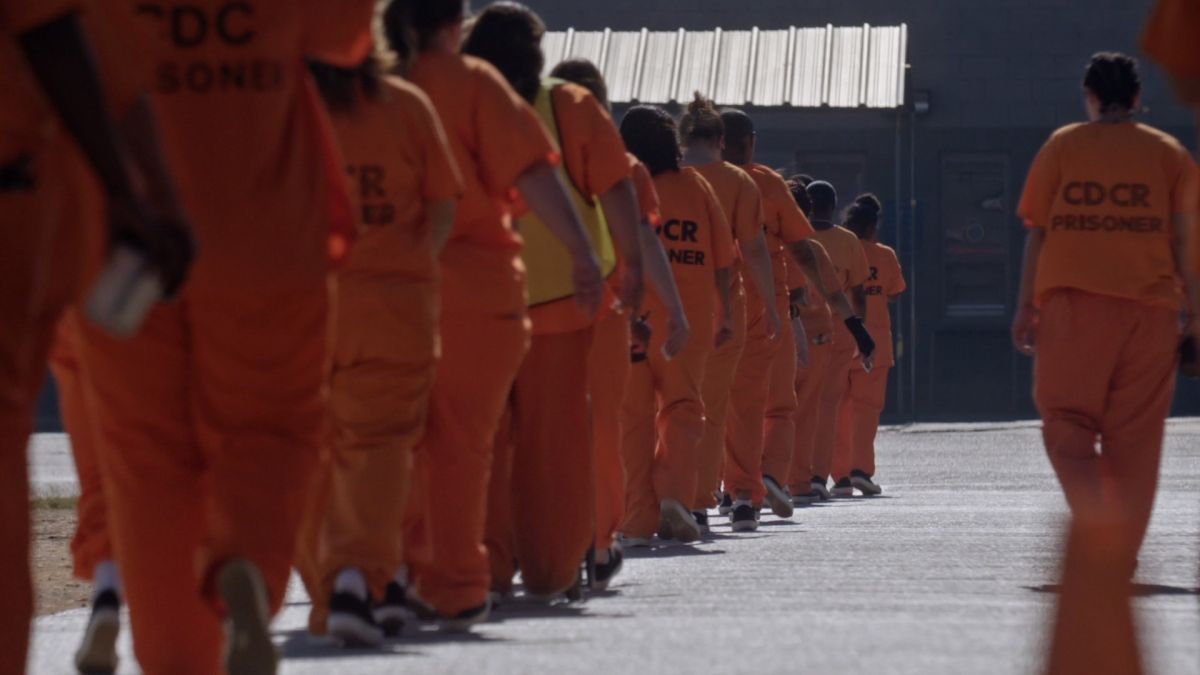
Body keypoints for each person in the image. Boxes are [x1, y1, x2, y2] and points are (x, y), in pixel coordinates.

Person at [75, 3, 381, 673]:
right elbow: (351, 34)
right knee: (270, 426)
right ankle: (244, 561)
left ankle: (176, 653)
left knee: (144, 457)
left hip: (126, 238)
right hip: (263, 239)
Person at [383, 0, 606, 621]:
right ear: (456, 26)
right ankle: (455, 584)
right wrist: (583, 256)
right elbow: (534, 174)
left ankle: (380, 571)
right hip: (478, 294)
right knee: (463, 446)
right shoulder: (473, 85)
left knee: (382, 440)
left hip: (384, 289)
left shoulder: (375, 83)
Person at [2, 5, 192, 673]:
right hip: (63, 227)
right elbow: (58, 41)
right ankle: (144, 579)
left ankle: (108, 577)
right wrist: (131, 191)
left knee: (92, 425)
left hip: (65, 238)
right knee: (140, 437)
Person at [463, 2, 652, 601]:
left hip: (472, 301)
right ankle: (553, 567)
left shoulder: (453, 97)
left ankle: (485, 568)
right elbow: (616, 188)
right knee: (558, 444)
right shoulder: (569, 106)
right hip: (564, 304)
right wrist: (631, 267)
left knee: (481, 441)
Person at [295, 50, 463, 647]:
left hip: (308, 304)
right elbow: (444, 200)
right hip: (395, 304)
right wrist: (417, 262)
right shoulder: (407, 107)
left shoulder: (288, 108)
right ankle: (358, 579)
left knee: (313, 449)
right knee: (384, 448)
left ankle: (352, 582)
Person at [1013, 52, 1200, 572]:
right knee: (1135, 442)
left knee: (1066, 427)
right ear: (1138, 99)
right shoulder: (1169, 154)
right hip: (1152, 311)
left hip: (1073, 308)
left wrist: (1026, 305)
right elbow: (1188, 241)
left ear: (1090, 97)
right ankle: (1123, 553)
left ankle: (1101, 529)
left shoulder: (1063, 146)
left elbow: (1040, 233)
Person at [549, 57, 690, 584]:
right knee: (603, 430)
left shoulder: (516, 151)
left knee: (535, 432)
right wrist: (669, 308)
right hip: (602, 313)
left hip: (531, 311)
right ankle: (598, 541)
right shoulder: (622, 168)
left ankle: (524, 547)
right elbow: (643, 238)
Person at [719, 109, 871, 528]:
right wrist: (853, 323)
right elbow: (806, 253)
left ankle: (729, 493)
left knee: (726, 407)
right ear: (750, 140)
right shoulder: (767, 182)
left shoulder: (701, 180)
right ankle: (766, 480)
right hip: (772, 310)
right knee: (781, 406)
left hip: (714, 308)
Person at [619, 104, 736, 546]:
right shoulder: (696, 187)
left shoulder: (621, 186)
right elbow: (725, 260)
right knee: (684, 409)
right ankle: (673, 497)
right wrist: (726, 312)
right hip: (688, 318)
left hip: (630, 317)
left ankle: (635, 520)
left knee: (632, 419)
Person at [678, 93, 778, 532]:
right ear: (722, 139)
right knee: (722, 408)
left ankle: (670, 499)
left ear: (682, 137)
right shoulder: (740, 182)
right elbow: (755, 249)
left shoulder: (667, 178)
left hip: (672, 302)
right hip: (725, 303)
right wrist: (773, 306)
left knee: (671, 406)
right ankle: (735, 498)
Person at [803, 180, 874, 500]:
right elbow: (857, 293)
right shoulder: (847, 241)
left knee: (796, 404)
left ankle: (792, 475)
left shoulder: (795, 237)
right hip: (840, 332)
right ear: (833, 206)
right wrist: (863, 331)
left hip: (801, 329)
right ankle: (820, 475)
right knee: (829, 405)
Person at [831, 194, 906, 496]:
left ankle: (840, 476)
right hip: (875, 343)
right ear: (874, 226)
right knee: (867, 411)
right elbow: (895, 291)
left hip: (840, 339)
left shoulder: (838, 250)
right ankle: (861, 469)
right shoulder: (885, 256)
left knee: (838, 410)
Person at [785, 176, 844, 506]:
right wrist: (857, 328)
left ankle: (748, 485)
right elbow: (838, 294)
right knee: (805, 413)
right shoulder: (815, 248)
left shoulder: (768, 243)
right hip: (816, 337)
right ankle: (798, 480)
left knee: (762, 410)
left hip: (772, 334)